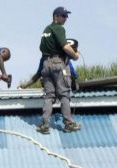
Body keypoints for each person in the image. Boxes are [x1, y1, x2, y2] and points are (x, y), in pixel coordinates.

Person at [37, 6, 82, 134]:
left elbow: (41, 48)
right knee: (64, 94)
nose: (65, 18)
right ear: (56, 16)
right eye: (63, 16)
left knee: (49, 96)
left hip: (46, 64)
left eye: (66, 16)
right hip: (58, 63)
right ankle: (69, 123)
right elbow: (66, 47)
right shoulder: (59, 28)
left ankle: (44, 125)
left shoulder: (46, 30)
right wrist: (75, 55)